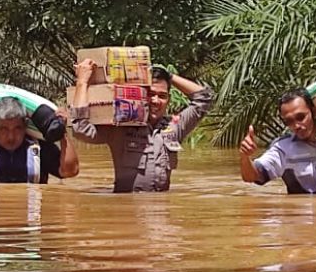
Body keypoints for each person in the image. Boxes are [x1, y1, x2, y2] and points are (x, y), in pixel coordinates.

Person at [69, 60, 214, 193]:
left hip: (162, 212)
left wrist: (168, 76)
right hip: (128, 212)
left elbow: (205, 98)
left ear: (168, 100)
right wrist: (82, 82)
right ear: (139, 95)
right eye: (150, 94)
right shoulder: (121, 127)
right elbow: (80, 129)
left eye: (162, 96)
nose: (156, 101)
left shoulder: (174, 126)